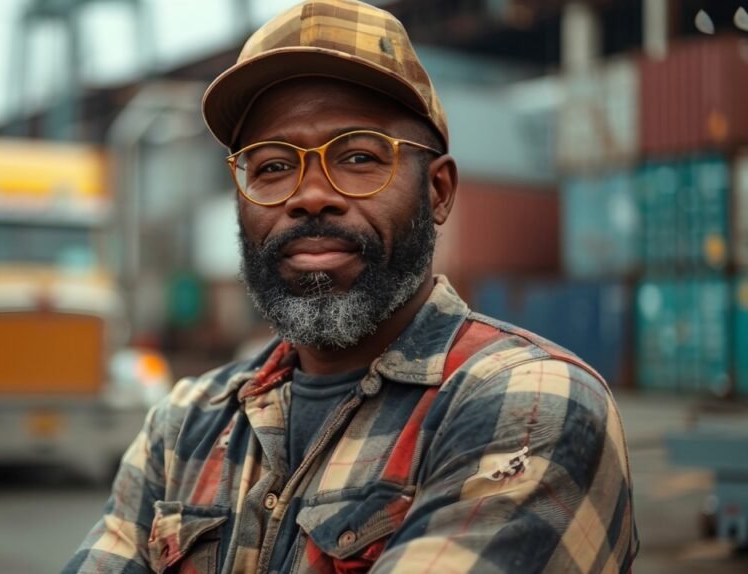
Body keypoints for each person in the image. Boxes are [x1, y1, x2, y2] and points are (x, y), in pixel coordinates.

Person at [64, 0, 638, 572]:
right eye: (271, 167)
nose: (310, 194)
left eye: (359, 157)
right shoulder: (184, 425)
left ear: (437, 192)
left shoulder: (529, 401)